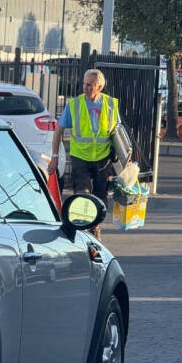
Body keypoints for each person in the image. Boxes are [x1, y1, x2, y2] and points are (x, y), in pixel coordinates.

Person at [49, 68, 119, 238]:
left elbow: (117, 133)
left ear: (99, 87)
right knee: (82, 193)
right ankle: (81, 227)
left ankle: (95, 226)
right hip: (80, 156)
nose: (86, 87)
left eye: (90, 85)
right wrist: (54, 157)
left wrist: (124, 159)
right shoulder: (74, 104)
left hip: (103, 158)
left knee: (100, 195)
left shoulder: (110, 104)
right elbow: (58, 131)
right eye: (84, 84)